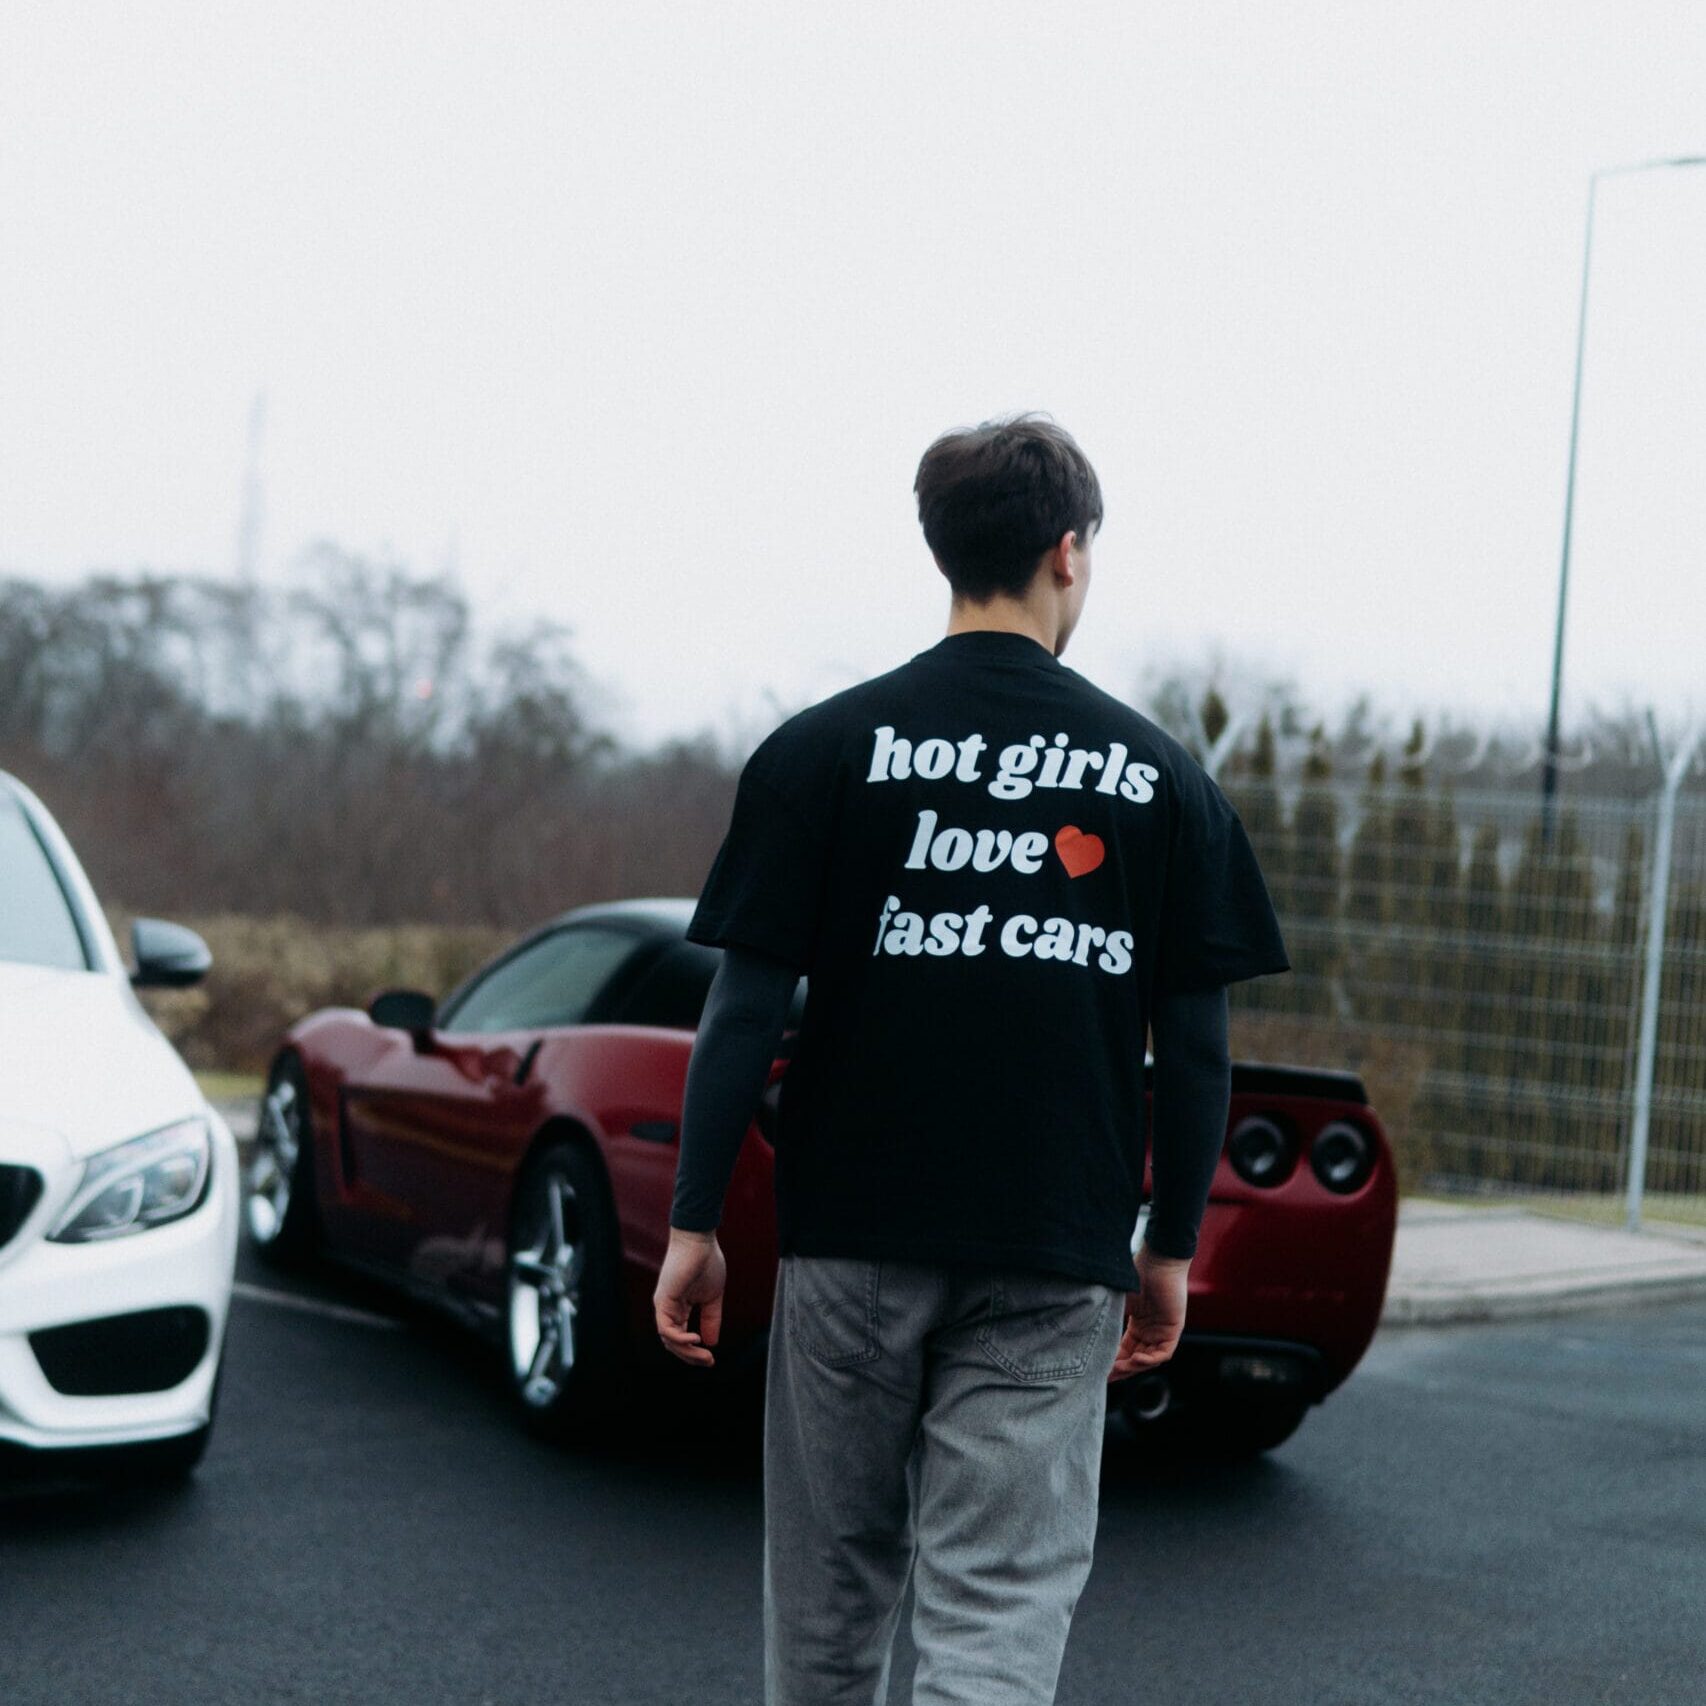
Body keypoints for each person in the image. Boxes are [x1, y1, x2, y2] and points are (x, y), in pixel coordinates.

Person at [653, 413, 1289, 1706]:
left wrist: (692, 1221)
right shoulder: (1161, 779)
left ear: (944, 549)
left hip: (850, 1237)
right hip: (1053, 1248)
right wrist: (1168, 1247)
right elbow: (1197, 1047)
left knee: (828, 1598)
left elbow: (743, 1009)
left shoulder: (824, 750)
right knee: (996, 1608)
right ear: (1068, 551)